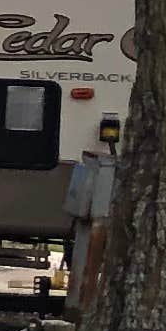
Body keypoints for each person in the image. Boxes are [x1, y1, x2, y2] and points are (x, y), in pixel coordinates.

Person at [64, 113, 123, 307]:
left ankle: (79, 306)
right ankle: (80, 305)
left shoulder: (94, 169)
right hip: (94, 214)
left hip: (94, 215)